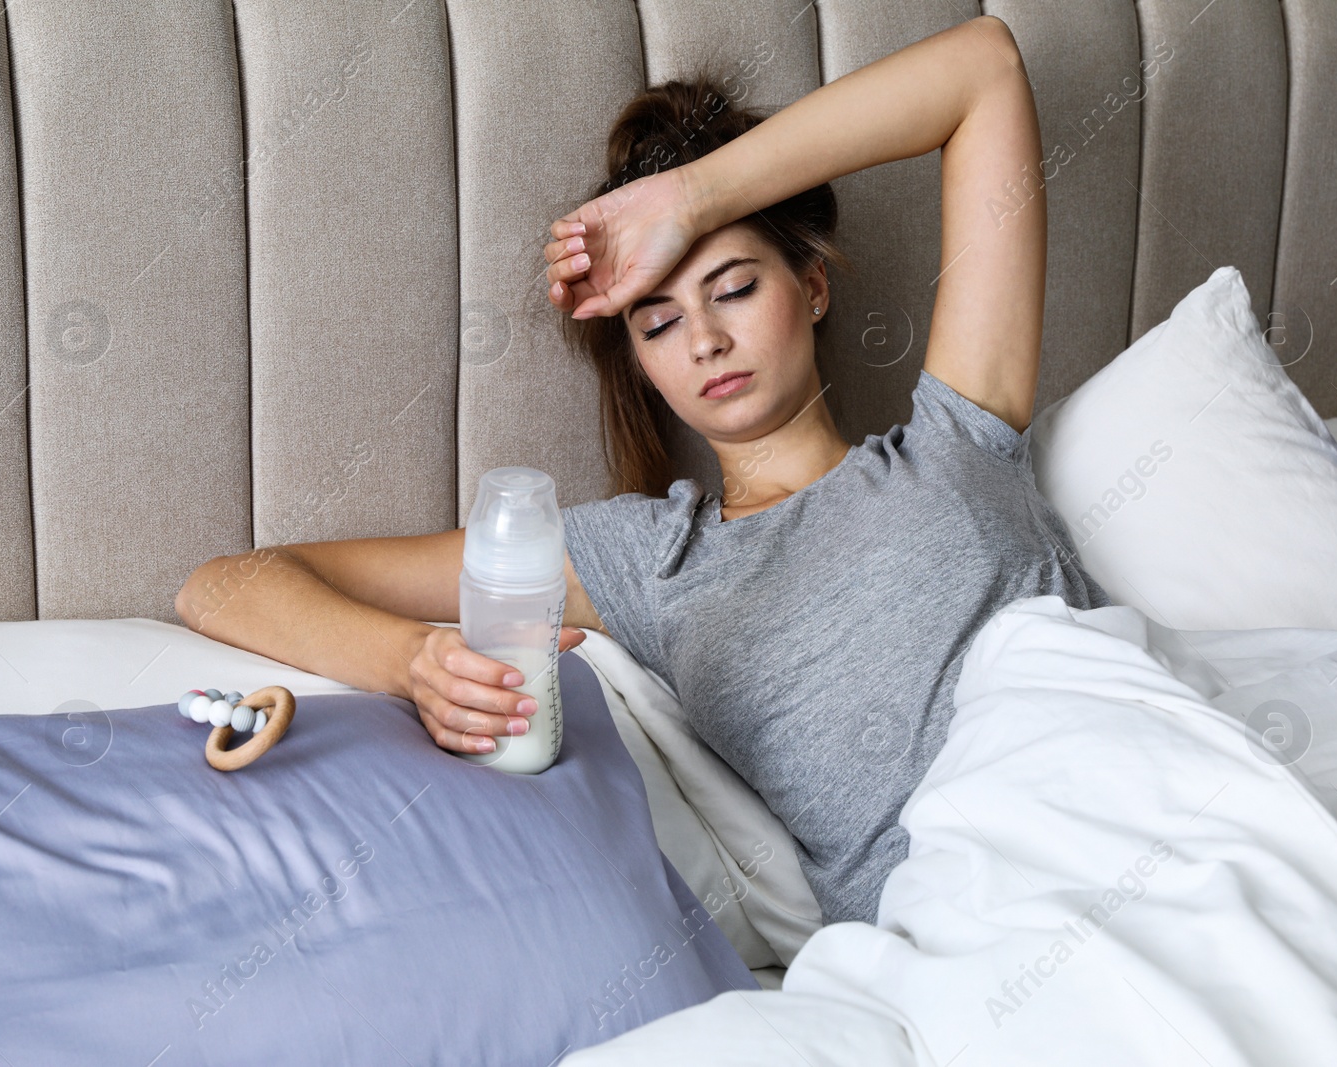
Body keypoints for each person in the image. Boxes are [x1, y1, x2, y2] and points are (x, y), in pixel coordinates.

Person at [175, 16, 1107, 927]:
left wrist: (689, 203)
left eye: (735, 286)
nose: (703, 339)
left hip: (1132, 794)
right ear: (643, 364)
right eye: (657, 323)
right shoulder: (649, 558)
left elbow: (982, 70)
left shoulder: (959, 435)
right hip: (965, 929)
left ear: (812, 287)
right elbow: (225, 586)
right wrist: (413, 661)